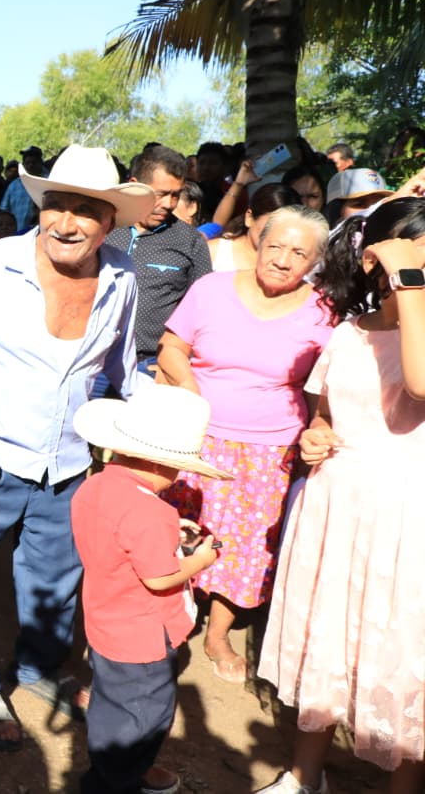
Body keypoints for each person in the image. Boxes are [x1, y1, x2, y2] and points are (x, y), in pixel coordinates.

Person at [0, 144, 152, 751]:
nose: (66, 223)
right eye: (56, 205)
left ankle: (38, 668)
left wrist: (151, 428)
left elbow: (122, 369)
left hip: (68, 461)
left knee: (55, 581)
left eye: (86, 211)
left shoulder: (122, 278)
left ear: (110, 222)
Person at [255, 198, 425, 794]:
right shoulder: (350, 332)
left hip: (406, 513)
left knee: (401, 649)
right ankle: (304, 776)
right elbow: (325, 413)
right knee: (325, 638)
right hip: (335, 505)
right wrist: (316, 435)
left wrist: (409, 281)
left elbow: (420, 383)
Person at [156, 205, 335, 684]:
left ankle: (218, 635)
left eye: (298, 253)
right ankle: (166, 622)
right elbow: (172, 347)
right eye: (275, 246)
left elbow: (321, 389)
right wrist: (191, 391)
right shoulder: (211, 289)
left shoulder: (323, 312)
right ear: (258, 242)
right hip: (193, 436)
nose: (282, 259)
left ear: (315, 261)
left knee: (247, 544)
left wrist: (318, 426)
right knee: (176, 531)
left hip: (269, 449)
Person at [72, 384, 229, 794]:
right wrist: (201, 559)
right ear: (162, 464)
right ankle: (118, 779)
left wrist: (168, 532)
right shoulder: (152, 512)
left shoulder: (92, 488)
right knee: (144, 715)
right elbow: (159, 578)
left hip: (104, 621)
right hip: (143, 637)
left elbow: (118, 536)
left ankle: (112, 770)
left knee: (111, 700)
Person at [103, 144, 211, 384]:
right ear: (135, 185)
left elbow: (204, 311)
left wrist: (174, 364)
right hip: (94, 361)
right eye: (161, 194)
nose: (169, 204)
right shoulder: (104, 229)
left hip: (152, 367)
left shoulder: (191, 242)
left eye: (176, 195)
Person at [209, 183, 301, 272]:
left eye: (286, 229)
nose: (278, 235)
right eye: (271, 225)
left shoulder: (293, 265)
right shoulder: (213, 253)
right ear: (249, 218)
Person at [0, 146, 45, 232]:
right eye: (27, 163)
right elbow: (4, 211)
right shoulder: (13, 186)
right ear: (23, 165)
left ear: (41, 163)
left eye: (34, 162)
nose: (31, 165)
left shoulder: (49, 182)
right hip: (17, 234)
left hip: (42, 232)